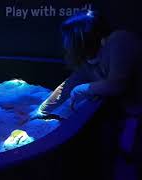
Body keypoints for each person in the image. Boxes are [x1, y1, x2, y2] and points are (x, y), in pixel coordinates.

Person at [29, 10, 142, 179]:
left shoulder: (119, 40)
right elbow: (66, 86)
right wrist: (39, 112)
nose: (66, 44)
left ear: (81, 36)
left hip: (137, 114)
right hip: (128, 115)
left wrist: (81, 89)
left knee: (130, 160)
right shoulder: (89, 60)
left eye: (68, 38)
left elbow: (116, 85)